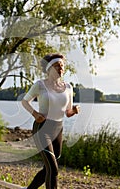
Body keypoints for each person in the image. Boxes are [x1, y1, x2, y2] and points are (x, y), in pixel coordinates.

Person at [21, 53, 80, 189]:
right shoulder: (40, 85)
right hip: (42, 129)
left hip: (58, 129)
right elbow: (25, 101)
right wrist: (35, 114)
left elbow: (68, 112)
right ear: (49, 69)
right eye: (57, 66)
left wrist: (74, 110)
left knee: (48, 168)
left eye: (62, 66)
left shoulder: (68, 88)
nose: (61, 69)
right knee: (53, 169)